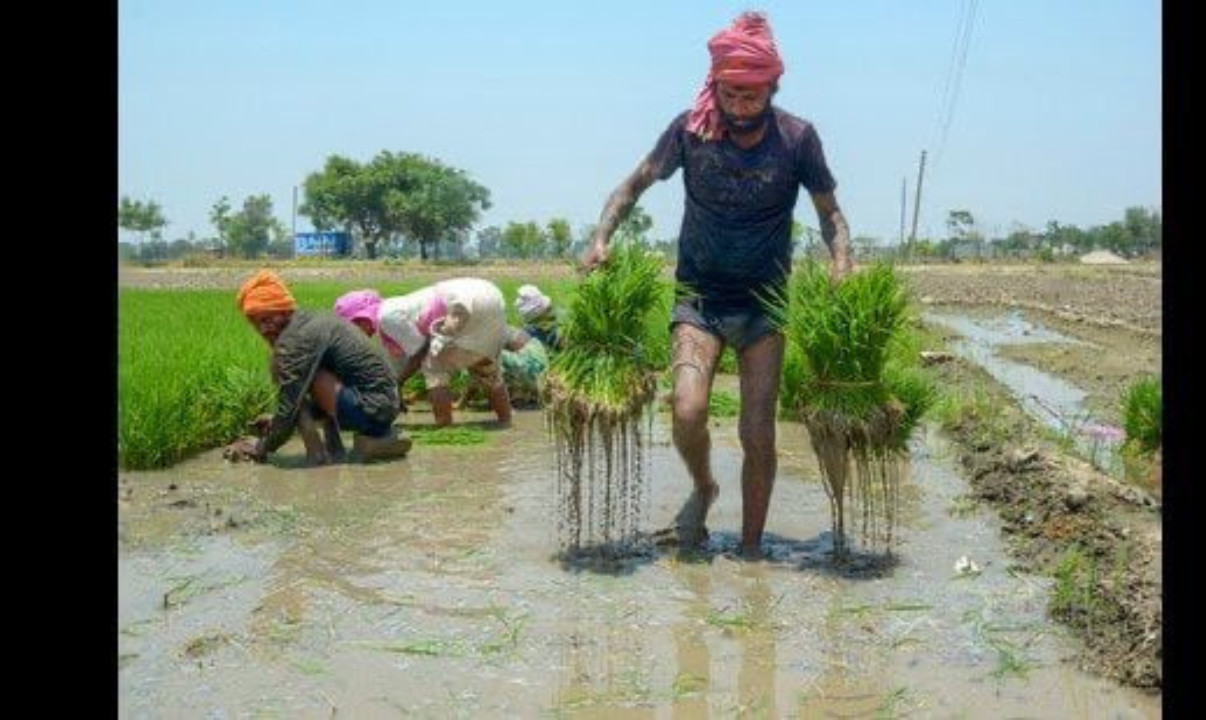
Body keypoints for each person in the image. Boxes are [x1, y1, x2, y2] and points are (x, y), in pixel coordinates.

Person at [580, 11, 853, 556]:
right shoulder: (691, 130)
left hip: (764, 305)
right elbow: (631, 186)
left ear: (773, 86)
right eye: (731, 92)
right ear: (716, 85)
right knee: (686, 410)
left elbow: (831, 215)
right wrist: (601, 238)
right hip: (699, 299)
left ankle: (751, 548)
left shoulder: (798, 139)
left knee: (758, 433)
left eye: (752, 94)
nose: (741, 104)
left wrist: (841, 262)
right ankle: (704, 486)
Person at [223, 270, 412, 465]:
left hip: (372, 411)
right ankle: (336, 450)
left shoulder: (297, 339)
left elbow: (290, 404)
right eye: (256, 324)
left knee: (295, 383)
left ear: (284, 310)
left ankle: (318, 456)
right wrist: (278, 420)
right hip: (384, 407)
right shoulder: (310, 322)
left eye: (266, 319)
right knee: (301, 380)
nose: (263, 329)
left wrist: (262, 446)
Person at [333, 277, 516, 427]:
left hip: (461, 303)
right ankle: (506, 422)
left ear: (360, 319)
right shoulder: (396, 307)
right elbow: (403, 358)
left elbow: (419, 352)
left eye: (352, 328)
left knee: (434, 367)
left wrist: (398, 384)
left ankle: (445, 428)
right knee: (484, 365)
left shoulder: (386, 317)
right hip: (490, 294)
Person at [515, 284, 563, 351]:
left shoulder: (548, 329)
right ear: (538, 316)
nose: (552, 312)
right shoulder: (530, 338)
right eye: (548, 309)